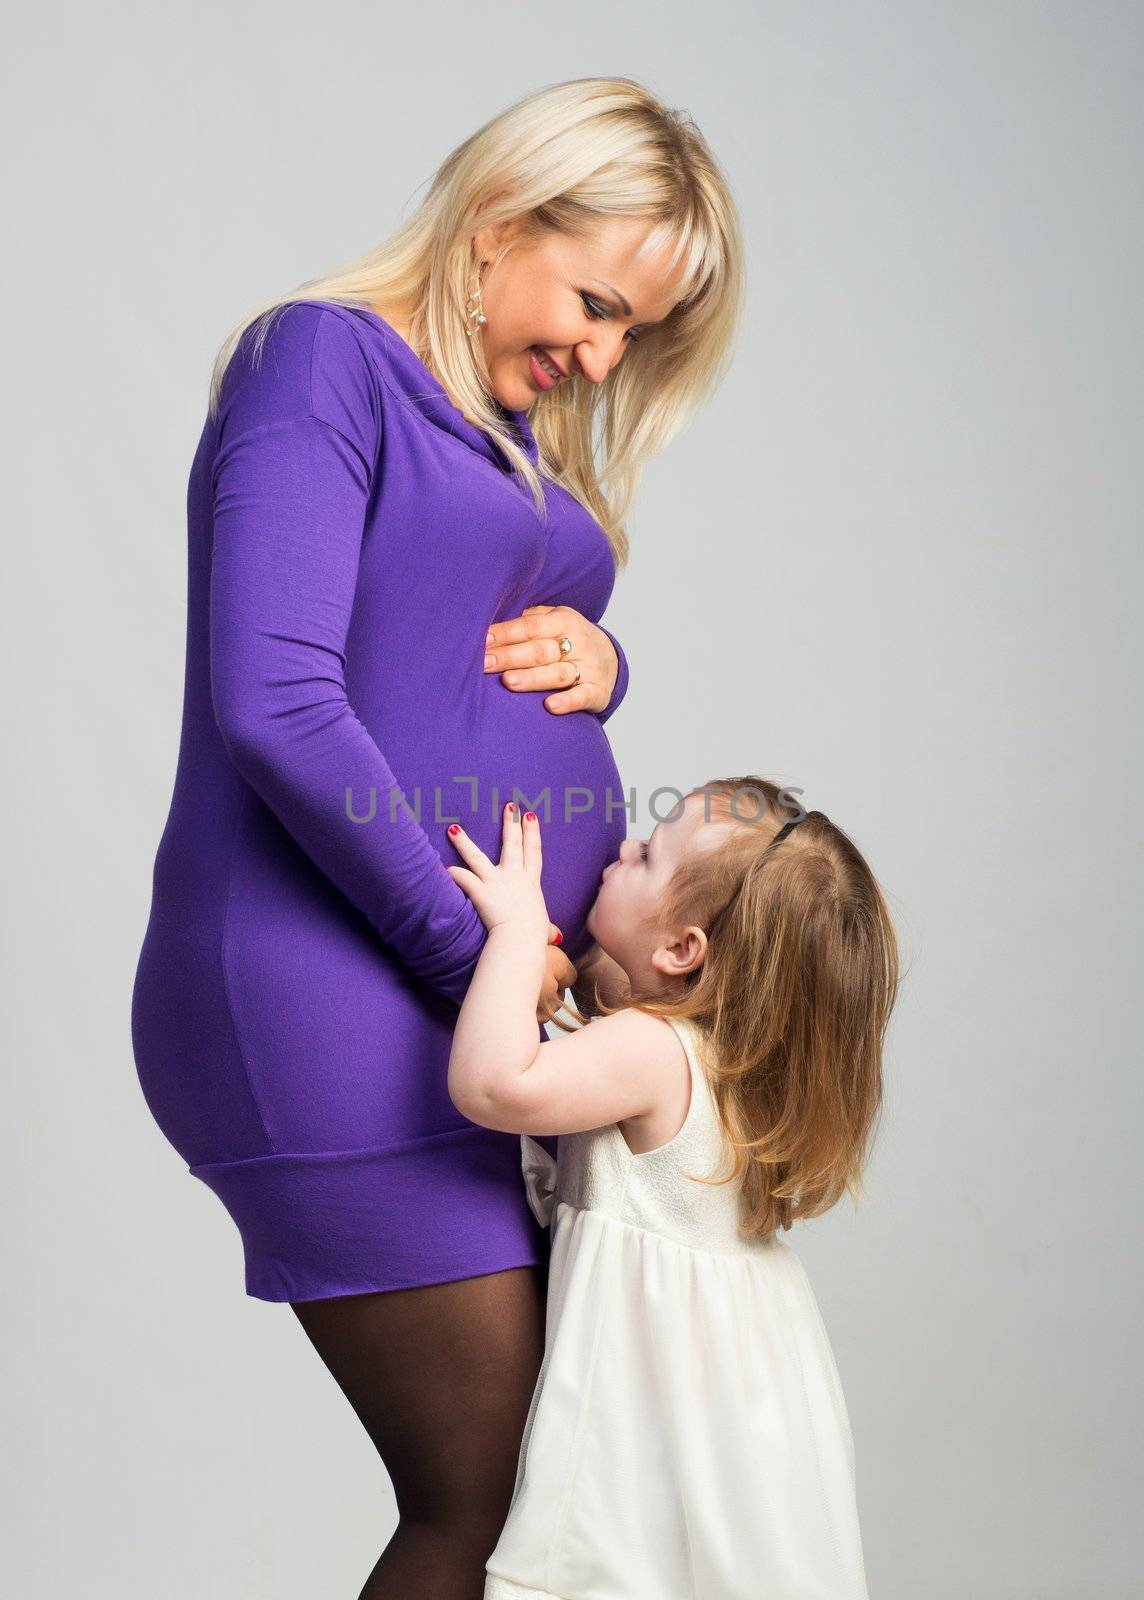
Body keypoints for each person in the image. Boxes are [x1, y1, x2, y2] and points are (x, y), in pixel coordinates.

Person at [129, 76, 746, 1599]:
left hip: (462, 997)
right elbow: (275, 705)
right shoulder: (320, 361)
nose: (603, 356)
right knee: (492, 1495)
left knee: (552, 1490)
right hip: (325, 985)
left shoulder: (493, 425)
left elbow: (458, 633)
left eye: (636, 337)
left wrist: (607, 659)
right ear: (494, 226)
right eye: (597, 302)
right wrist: (485, 952)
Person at [443, 778, 901, 1600]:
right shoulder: (731, 1062)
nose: (620, 850)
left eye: (647, 855)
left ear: (684, 950)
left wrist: (515, 932)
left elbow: (493, 1087)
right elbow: (608, 995)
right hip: (750, 1389)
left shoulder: (652, 1052)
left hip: (662, 1396)